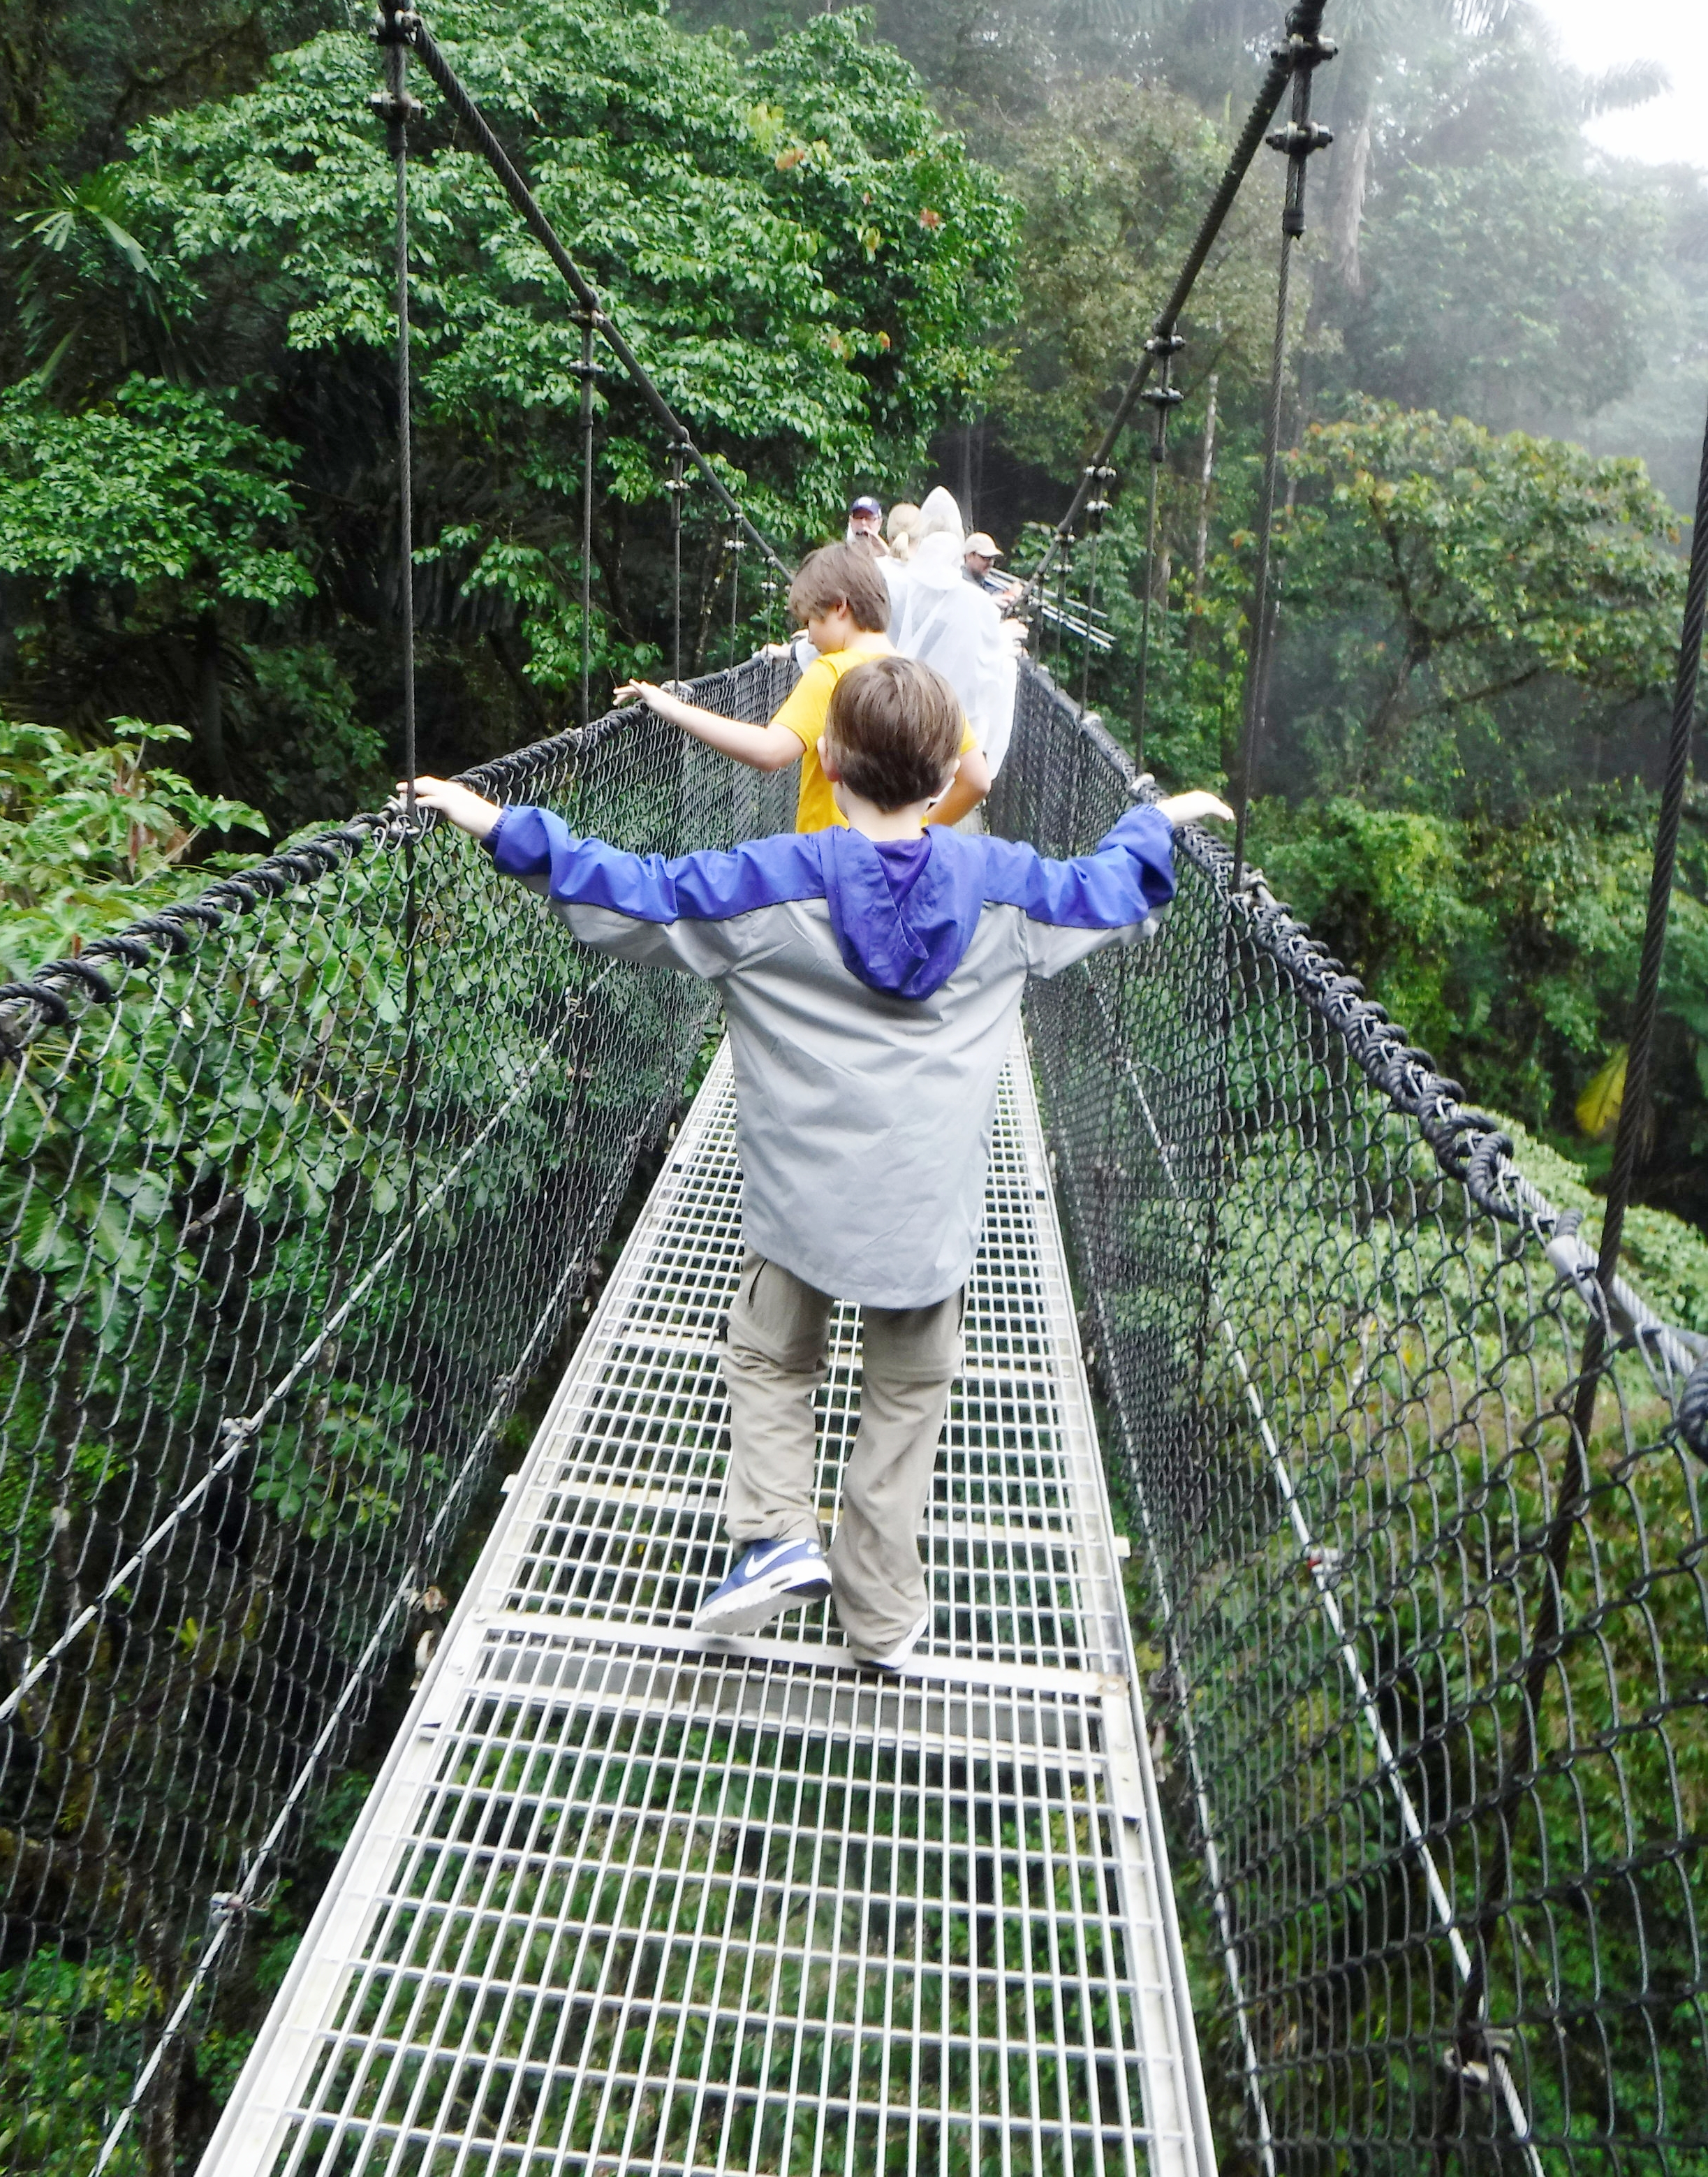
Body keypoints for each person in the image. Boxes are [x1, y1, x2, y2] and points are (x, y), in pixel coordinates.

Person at [402, 657, 1232, 1671]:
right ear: (948, 780)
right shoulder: (1008, 891)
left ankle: (773, 1536)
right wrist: (1160, 819)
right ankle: (880, 1618)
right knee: (907, 1397)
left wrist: (501, 826)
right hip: (926, 1226)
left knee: (766, 1353)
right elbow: (1110, 891)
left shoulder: (769, 885)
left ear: (829, 762)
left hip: (800, 1212)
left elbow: (636, 890)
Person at [617, 541, 989, 834]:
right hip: (898, 868)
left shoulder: (832, 672)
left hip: (826, 871)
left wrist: (672, 707)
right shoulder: (922, 680)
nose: (808, 634)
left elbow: (769, 751)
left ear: (840, 607)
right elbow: (976, 780)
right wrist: (921, 831)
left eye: (812, 618)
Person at [886, 486, 1019, 773]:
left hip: (891, 726)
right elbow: (990, 680)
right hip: (951, 745)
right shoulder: (977, 603)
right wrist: (1004, 640)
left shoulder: (892, 583)